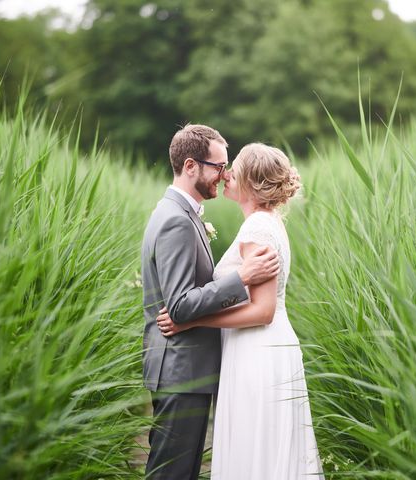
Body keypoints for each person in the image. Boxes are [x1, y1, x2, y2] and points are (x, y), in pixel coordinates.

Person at [157, 143, 325, 479]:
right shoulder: (268, 222)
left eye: (235, 168)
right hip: (265, 346)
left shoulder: (258, 228)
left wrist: (191, 320)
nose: (227, 174)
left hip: (257, 349)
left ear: (253, 182)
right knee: (266, 446)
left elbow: (263, 310)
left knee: (255, 448)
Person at [141, 125, 280, 479]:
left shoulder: (181, 214)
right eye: (218, 166)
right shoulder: (176, 220)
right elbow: (180, 306)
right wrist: (242, 278)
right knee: (171, 473)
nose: (225, 174)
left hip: (186, 368)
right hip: (181, 368)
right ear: (191, 166)